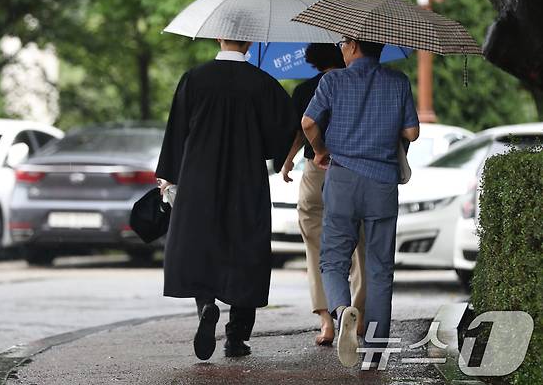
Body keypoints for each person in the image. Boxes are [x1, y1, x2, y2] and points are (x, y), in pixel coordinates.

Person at [156, 38, 297, 361]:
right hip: (246, 179)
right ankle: (237, 338)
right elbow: (284, 131)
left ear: (219, 38)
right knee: (246, 251)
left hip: (198, 179)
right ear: (249, 41)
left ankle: (207, 305)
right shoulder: (263, 83)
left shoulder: (195, 77)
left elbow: (176, 130)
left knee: (202, 246)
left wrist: (169, 175)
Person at [301, 37, 419, 368]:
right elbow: (412, 133)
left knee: (334, 259)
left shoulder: (333, 80)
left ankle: (342, 312)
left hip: (342, 179)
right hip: (382, 183)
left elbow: (308, 122)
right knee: (380, 268)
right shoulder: (398, 81)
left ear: (352, 46)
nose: (340, 48)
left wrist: (320, 149)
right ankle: (375, 352)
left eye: (342, 43)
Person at [281, 43, 366, 346]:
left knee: (315, 243)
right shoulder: (355, 84)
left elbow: (300, 129)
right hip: (352, 168)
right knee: (358, 243)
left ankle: (327, 322)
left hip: (315, 169)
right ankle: (355, 316)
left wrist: (290, 159)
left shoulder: (305, 89)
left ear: (313, 60)